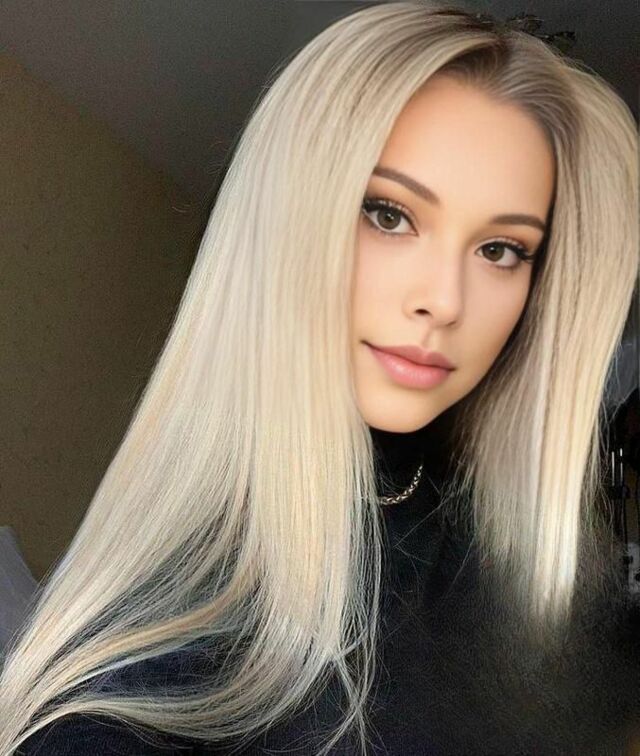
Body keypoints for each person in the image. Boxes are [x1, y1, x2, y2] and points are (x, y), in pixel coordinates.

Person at [2, 2, 639, 754]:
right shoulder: (140, 685)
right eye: (389, 214)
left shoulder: (521, 547)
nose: (444, 300)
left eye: (501, 250)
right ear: (288, 222)